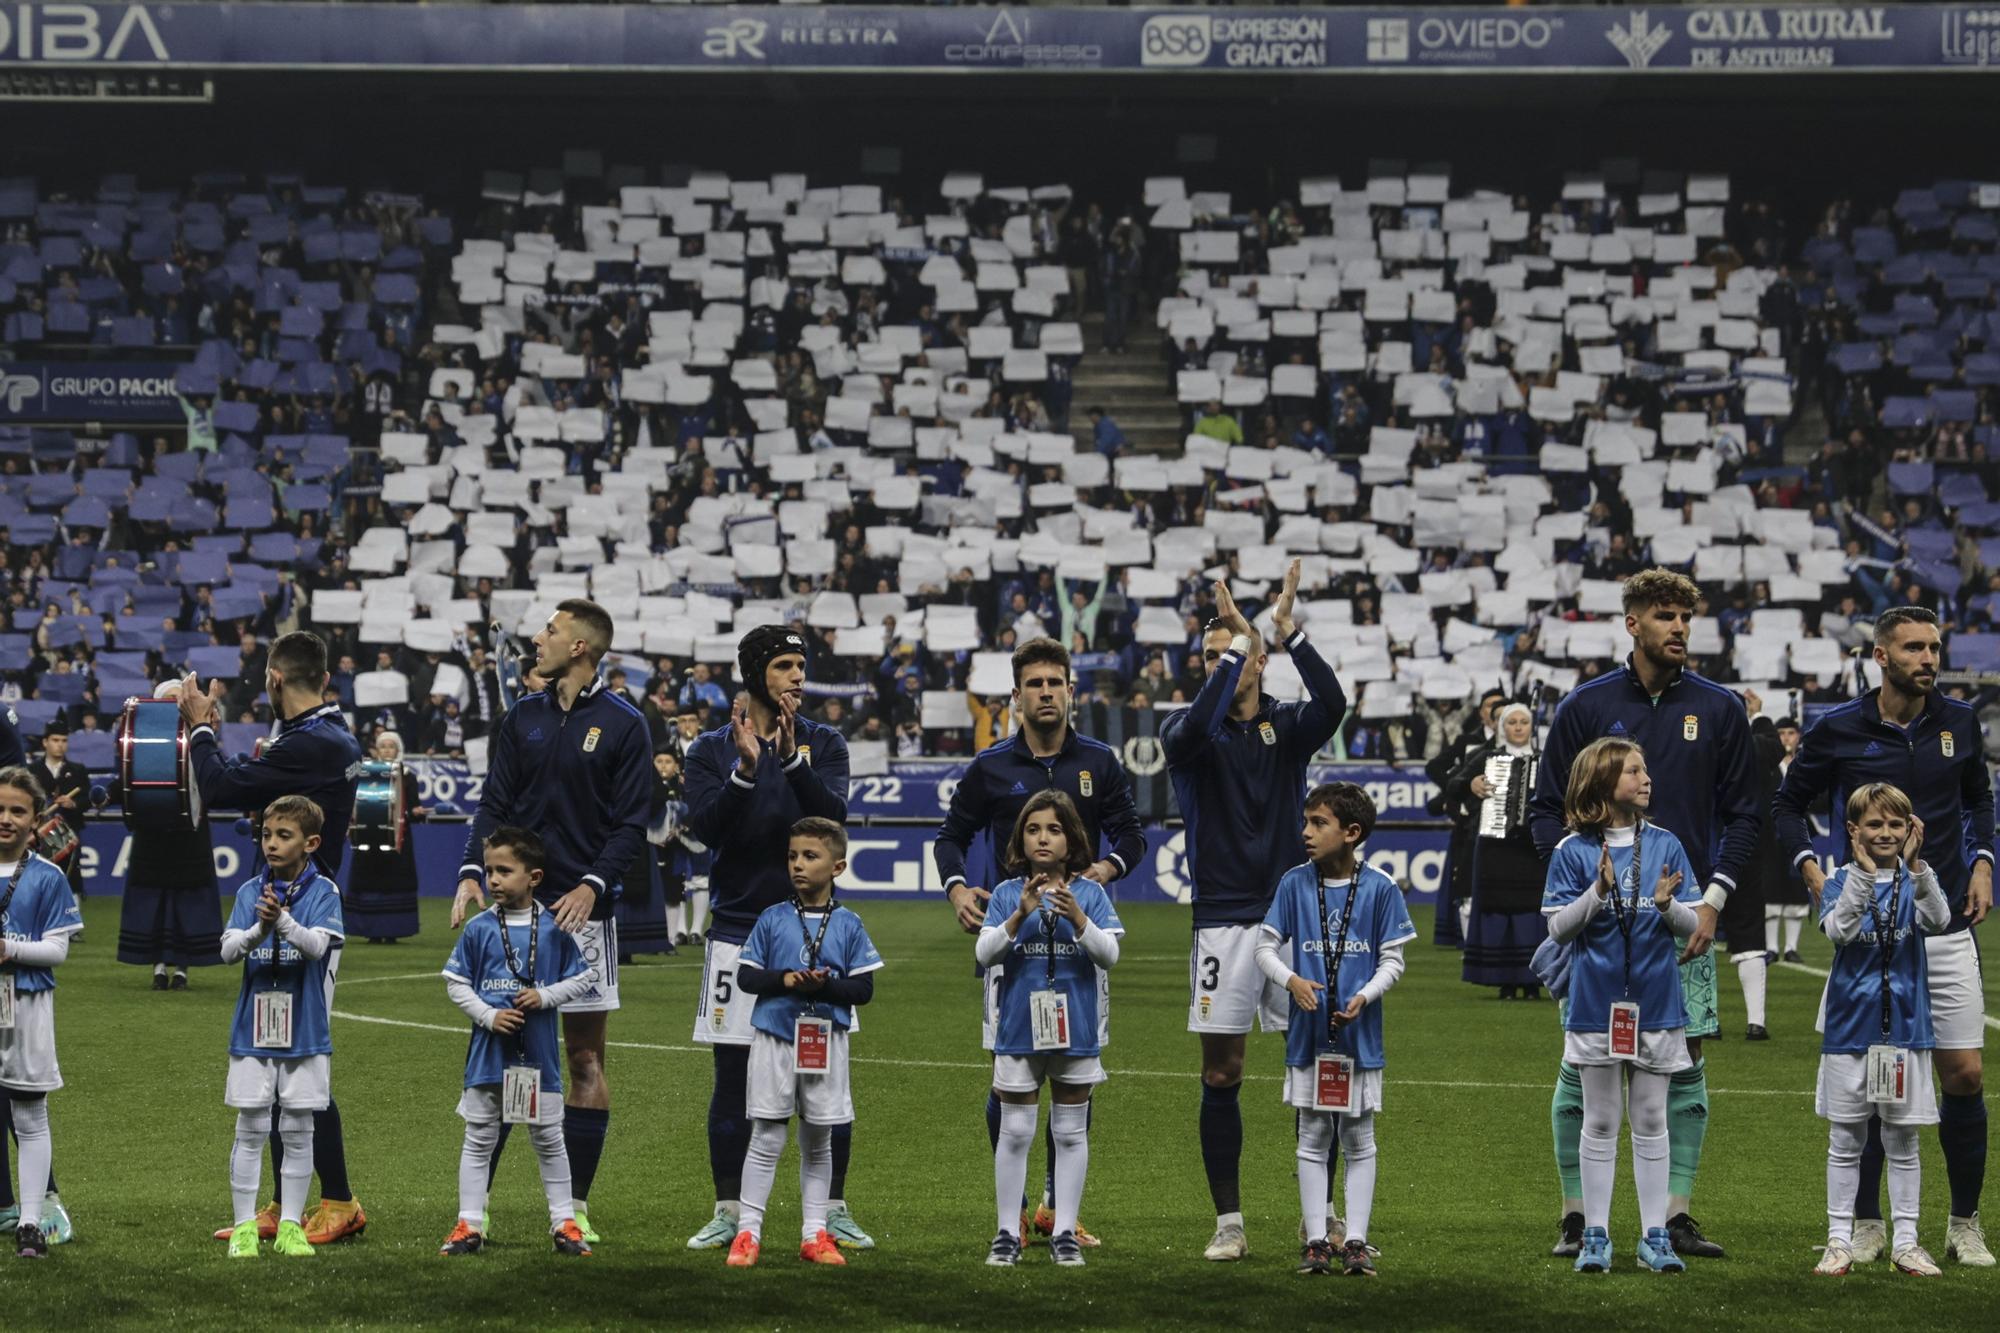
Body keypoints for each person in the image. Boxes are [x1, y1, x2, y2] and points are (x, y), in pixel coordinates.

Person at [1529, 570, 1757, 1261]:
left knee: (1684, 1063)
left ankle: (1674, 1215)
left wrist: (1710, 902)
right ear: (1633, 623)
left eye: (1686, 617)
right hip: (1597, 928)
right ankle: (1577, 1215)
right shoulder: (1585, 705)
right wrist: (1577, 879)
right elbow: (1545, 808)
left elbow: (1746, 814)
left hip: (1685, 919)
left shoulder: (1719, 708)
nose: (1679, 628)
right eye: (1665, 616)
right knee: (1580, 1068)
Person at [1775, 605, 1996, 1266]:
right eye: (1915, 648)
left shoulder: (1958, 722)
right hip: (1873, 937)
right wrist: (1811, 868)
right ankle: (1868, 1224)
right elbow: (1789, 804)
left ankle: (1963, 1221)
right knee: (1873, 1082)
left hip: (1945, 921)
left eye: (1935, 647)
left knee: (1964, 1073)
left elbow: (1980, 799)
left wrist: (1983, 861)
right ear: (1881, 654)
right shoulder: (1838, 727)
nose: (1929, 658)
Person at [451, 599, 652, 1247]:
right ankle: (474, 1213)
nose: (538, 638)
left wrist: (594, 885)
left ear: (582, 647)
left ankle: (576, 1206)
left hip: (584, 914)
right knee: (511, 1052)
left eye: (550, 630)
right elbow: (495, 803)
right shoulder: (522, 718)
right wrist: (470, 871)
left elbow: (631, 824)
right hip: (516, 918)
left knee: (585, 1057)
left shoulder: (625, 724)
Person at [1162, 560, 1346, 1262]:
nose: (1221, 665)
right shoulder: (1190, 736)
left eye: (1233, 652)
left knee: (1316, 1063)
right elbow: (1200, 718)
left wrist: (1288, 634)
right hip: (1221, 921)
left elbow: (1334, 706)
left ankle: (1319, 1214)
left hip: (1294, 915)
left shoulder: (1288, 725)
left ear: (1260, 660)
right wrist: (1237, 640)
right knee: (1222, 1072)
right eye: (1211, 656)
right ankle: (1230, 1220)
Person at [934, 636, 1144, 1246]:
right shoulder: (991, 765)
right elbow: (952, 835)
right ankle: (1016, 1211)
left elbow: (1132, 835)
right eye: (1035, 684)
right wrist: (957, 889)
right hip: (1016, 937)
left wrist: (1104, 871)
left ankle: (1058, 1209)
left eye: (1056, 682)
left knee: (1078, 1068)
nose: (1046, 692)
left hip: (1075, 940)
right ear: (1017, 696)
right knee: (1010, 1075)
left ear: (1072, 692)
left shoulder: (1100, 762)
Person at [185, 631, 368, 1247]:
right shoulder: (319, 736)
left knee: (302, 1062)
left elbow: (219, 786)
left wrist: (203, 728)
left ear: (273, 678)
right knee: (281, 1053)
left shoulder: (313, 741)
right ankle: (284, 1200)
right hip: (286, 901)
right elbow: (264, 798)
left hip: (310, 911)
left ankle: (339, 1199)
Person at [684, 626, 854, 1251]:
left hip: (815, 932)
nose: (798, 678)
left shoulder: (823, 742)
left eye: (800, 666)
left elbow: (832, 819)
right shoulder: (710, 750)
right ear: (755, 674)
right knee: (732, 1075)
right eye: (784, 666)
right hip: (737, 931)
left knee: (824, 1077)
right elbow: (705, 831)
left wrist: (789, 761)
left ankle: (830, 1212)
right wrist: (747, 773)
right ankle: (730, 1211)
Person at [1542, 739, 1702, 1275]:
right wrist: (1597, 893)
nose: (1645, 777)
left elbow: (1693, 927)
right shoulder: (1572, 850)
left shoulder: (1667, 845)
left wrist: (1665, 904)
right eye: (1634, 770)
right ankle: (1596, 1235)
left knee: (1653, 1115)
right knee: (1602, 1118)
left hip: (1657, 1003)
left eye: (1645, 767)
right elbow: (1558, 928)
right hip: (1594, 1004)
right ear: (1603, 782)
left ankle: (1655, 1236)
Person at [1256, 782, 1415, 1278]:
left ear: (1351, 833)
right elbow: (1263, 949)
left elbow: (1393, 959)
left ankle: (1358, 1242)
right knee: (1312, 1137)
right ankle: (1317, 1239)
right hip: (1309, 1038)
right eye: (1306, 822)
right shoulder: (1293, 883)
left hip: (1358, 1040)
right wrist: (1292, 980)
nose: (1306, 832)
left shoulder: (1381, 888)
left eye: (1318, 823)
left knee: (1359, 1139)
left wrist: (1365, 995)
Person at [724, 817, 883, 1268]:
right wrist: (787, 979)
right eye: (793, 855)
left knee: (818, 1141)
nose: (798, 864)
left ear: (837, 866)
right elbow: (747, 975)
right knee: (767, 1137)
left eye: (810, 856)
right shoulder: (773, 917)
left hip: (825, 1040)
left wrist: (823, 988)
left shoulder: (850, 924)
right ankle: (747, 1234)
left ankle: (814, 1235)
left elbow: (863, 991)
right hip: (775, 1038)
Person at [976, 792, 1123, 1268]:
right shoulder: (1005, 894)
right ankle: (1005, 1233)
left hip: (1076, 1028)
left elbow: (1110, 955)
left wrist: (1077, 916)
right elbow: (985, 954)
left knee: (1070, 1133)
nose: (1043, 837)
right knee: (1015, 1132)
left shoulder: (1092, 894)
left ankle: (1063, 1231)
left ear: (1071, 839)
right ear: (1021, 838)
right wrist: (1020, 913)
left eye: (1054, 829)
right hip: (1018, 1028)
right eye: (1033, 829)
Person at [438, 826, 597, 1259]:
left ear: (534, 877)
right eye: (489, 870)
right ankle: (469, 1223)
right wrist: (488, 1015)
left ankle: (564, 1221)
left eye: (504, 871)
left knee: (549, 1139)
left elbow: (584, 977)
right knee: (478, 1139)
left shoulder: (555, 928)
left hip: (538, 1058)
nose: (492, 880)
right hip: (488, 1058)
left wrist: (545, 996)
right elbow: (454, 981)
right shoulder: (479, 927)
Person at [1813, 784, 1950, 1277]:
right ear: (1854, 832)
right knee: (1846, 1139)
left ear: (1911, 828)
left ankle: (1907, 1242)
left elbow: (1939, 919)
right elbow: (1840, 931)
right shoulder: (1839, 882)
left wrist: (1918, 870)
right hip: (1850, 1030)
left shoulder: (1918, 880)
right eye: (1875, 824)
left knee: (1903, 1140)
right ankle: (1838, 1240)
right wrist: (1867, 878)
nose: (1886, 833)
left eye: (1896, 823)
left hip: (1906, 1031)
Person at [217, 796, 343, 1260]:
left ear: (310, 843)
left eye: (283, 835)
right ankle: (245, 1224)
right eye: (267, 834)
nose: (271, 843)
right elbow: (229, 952)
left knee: (297, 1127)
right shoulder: (250, 890)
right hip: (253, 1028)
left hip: (305, 1029)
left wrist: (282, 922)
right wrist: (258, 931)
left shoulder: (325, 892)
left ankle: (291, 1224)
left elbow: (315, 948)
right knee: (250, 1125)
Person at [0, 766, 83, 1258]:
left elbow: (57, 951)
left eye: (17, 811)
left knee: (30, 1115)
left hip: (27, 1005)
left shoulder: (48, 876)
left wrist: (8, 949)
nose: (6, 819)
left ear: (35, 820)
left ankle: (31, 1221)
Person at [113, 679, 222, 991]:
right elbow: (127, 778)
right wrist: (106, 794)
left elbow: (214, 776)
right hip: (153, 831)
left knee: (185, 902)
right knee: (156, 900)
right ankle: (159, 966)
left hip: (190, 833)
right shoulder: (141, 742)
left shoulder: (203, 738)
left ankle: (183, 969)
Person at [1450, 703, 1545, 999]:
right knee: (1498, 910)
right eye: (1512, 722)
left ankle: (1531, 982)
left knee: (1532, 912)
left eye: (1524, 722)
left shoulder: (1545, 760)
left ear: (1532, 726)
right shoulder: (1486, 757)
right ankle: (1504, 980)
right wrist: (1472, 783)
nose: (1518, 727)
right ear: (1502, 727)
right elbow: (1453, 785)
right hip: (1495, 847)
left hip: (1532, 848)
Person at [1427, 688, 1506, 949]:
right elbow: (1442, 771)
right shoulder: (1471, 744)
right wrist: (1456, 795)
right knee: (1464, 880)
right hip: (1470, 819)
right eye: (1490, 707)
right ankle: (1466, 939)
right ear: (1484, 714)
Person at [1732, 690, 1787, 1038]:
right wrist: (1758, 715)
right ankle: (1756, 1022)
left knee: (1690, 931)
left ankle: (1702, 1017)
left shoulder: (1703, 741)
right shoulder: (1750, 746)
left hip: (1703, 846)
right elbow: (1773, 747)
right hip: (1744, 847)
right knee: (1750, 933)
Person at [346, 731, 422, 945]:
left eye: (391, 746)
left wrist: (415, 812)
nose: (387, 750)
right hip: (367, 840)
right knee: (368, 880)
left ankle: (393, 930)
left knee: (394, 882)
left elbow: (412, 808)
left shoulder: (408, 775)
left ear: (398, 750)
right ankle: (370, 930)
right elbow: (350, 792)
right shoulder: (363, 771)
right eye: (383, 747)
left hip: (398, 840)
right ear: (376, 750)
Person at [1764, 716, 1812, 963]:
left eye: (1791, 733)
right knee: (1771, 894)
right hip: (1770, 841)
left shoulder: (1805, 766)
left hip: (1797, 838)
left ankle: (1791, 947)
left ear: (1798, 736)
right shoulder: (1768, 767)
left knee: (1795, 893)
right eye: (1781, 733)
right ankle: (1771, 948)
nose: (1786, 738)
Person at [33, 724, 86, 904]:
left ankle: (72, 922)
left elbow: (86, 799)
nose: (60, 745)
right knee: (37, 877)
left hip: (68, 834)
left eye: (64, 741)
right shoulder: (31, 771)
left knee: (71, 877)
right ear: (45, 742)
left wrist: (73, 803)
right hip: (38, 835)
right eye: (55, 740)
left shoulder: (78, 770)